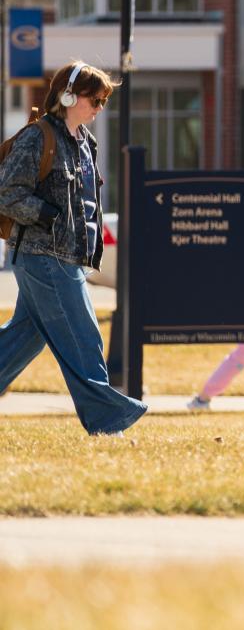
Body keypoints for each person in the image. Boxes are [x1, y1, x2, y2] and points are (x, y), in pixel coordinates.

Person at [0, 62, 147, 434]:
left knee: (22, 340)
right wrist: (45, 214)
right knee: (83, 336)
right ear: (68, 95)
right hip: (43, 257)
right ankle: (108, 421)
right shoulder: (39, 137)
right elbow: (6, 192)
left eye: (104, 101)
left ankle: (105, 417)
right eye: (94, 99)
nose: (99, 108)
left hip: (67, 258)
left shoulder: (84, 142)